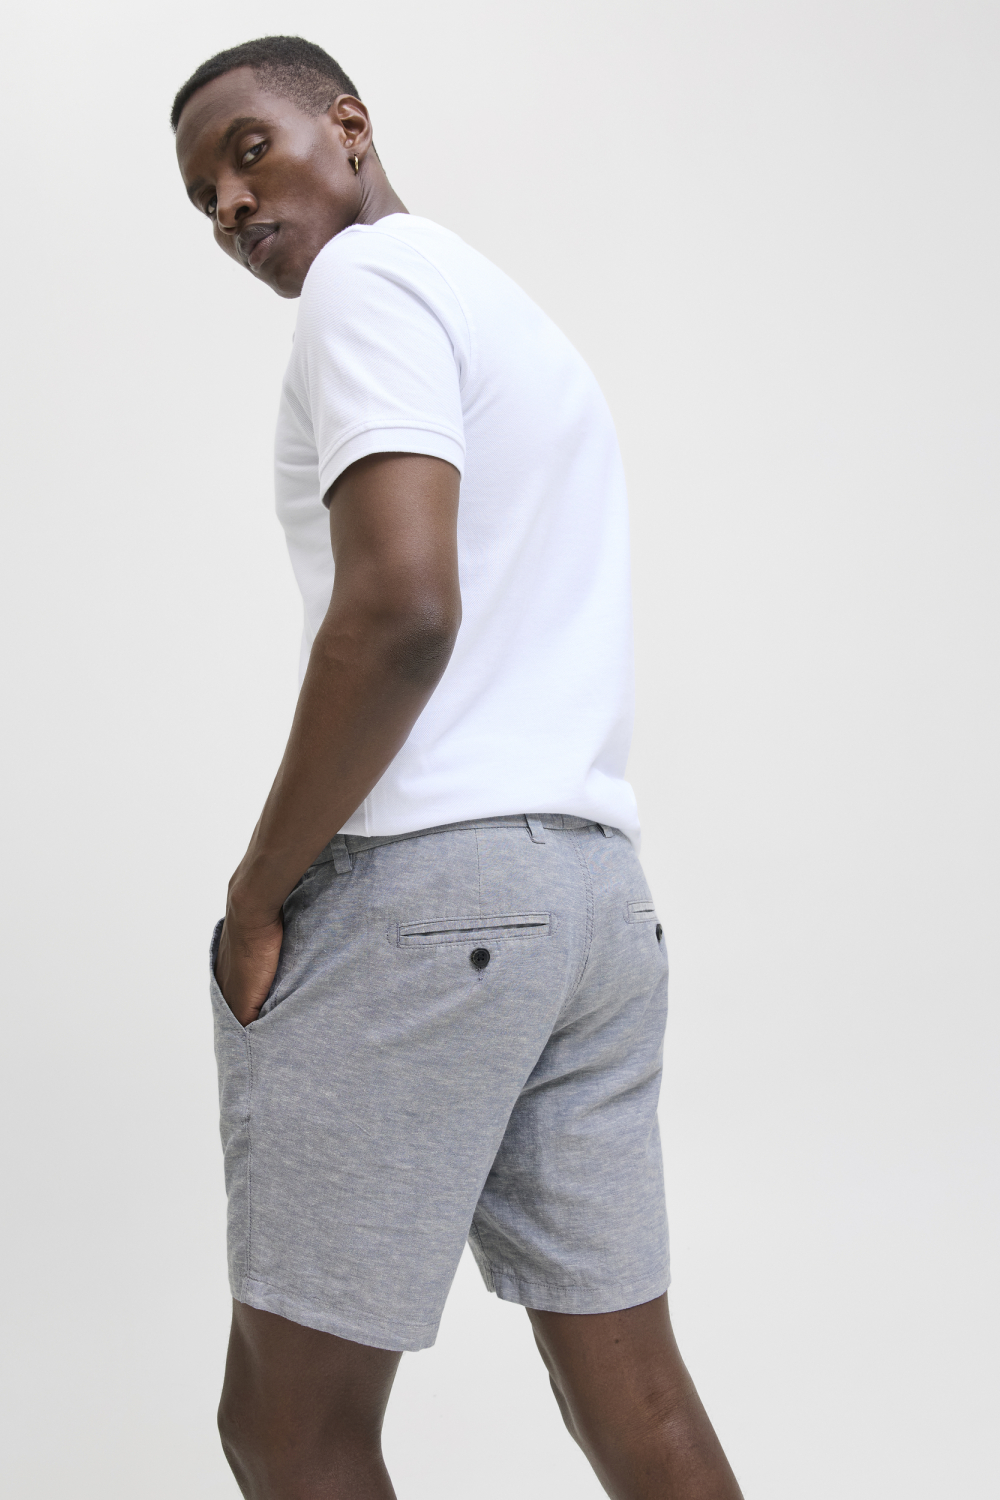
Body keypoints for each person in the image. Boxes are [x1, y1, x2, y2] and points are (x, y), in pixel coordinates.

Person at [172, 34, 744, 1500]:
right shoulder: (508, 312)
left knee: (288, 1427)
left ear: (349, 124)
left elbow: (404, 610)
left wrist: (257, 892)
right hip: (597, 909)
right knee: (634, 1397)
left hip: (432, 902)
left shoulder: (366, 286)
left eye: (249, 152)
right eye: (205, 199)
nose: (232, 206)